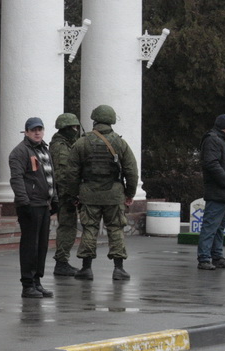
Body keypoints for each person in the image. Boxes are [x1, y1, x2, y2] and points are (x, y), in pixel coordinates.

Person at [66, 104, 138, 281]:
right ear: (111, 120)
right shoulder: (120, 143)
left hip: (88, 194)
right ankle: (119, 269)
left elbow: (71, 173)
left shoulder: (82, 142)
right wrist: (130, 193)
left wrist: (75, 194)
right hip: (114, 194)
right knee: (116, 229)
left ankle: (86, 269)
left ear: (94, 119)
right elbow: (132, 171)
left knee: (89, 229)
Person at [9, 117, 59, 298]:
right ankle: (27, 285)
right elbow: (16, 179)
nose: (37, 132)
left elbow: (50, 177)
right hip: (30, 205)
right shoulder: (20, 152)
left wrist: (55, 199)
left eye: (40, 129)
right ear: (27, 132)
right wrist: (24, 202)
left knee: (42, 246)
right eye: (33, 130)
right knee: (30, 246)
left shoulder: (45, 150)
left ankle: (37, 281)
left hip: (43, 204)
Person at [197, 114, 225, 270]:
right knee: (210, 225)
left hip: (223, 192)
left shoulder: (220, 140)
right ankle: (204, 258)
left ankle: (217, 256)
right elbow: (211, 164)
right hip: (218, 190)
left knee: (219, 226)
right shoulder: (213, 140)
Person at [49, 113, 82, 277]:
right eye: (73, 128)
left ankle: (62, 261)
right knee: (67, 228)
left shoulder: (66, 144)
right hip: (64, 195)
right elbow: (62, 175)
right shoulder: (61, 148)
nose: (76, 130)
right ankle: (61, 262)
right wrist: (70, 195)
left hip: (64, 194)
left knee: (68, 228)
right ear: (66, 129)